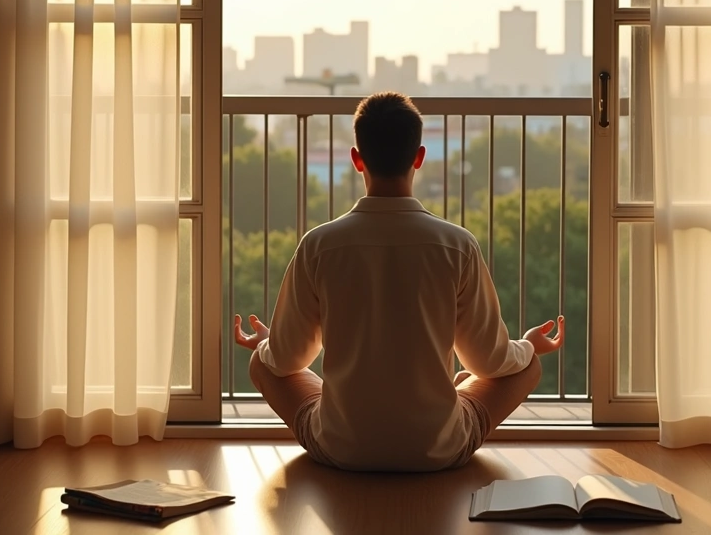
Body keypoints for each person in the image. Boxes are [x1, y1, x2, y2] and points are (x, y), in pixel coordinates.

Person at [233, 91, 565, 472]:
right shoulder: (457, 246)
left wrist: (265, 344)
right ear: (419, 157)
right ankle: (445, 400)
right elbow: (488, 361)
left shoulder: (319, 246)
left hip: (342, 447)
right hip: (438, 449)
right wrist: (528, 346)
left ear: (357, 159)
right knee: (528, 367)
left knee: (264, 364)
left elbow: (289, 358)